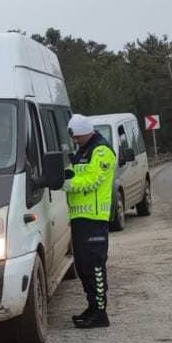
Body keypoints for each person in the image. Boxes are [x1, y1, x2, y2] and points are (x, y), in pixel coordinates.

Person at [65, 114, 117, 328]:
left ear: (87, 132)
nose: (75, 140)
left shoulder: (102, 151)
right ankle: (92, 307)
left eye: (77, 137)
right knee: (82, 265)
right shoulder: (82, 151)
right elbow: (75, 172)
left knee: (95, 265)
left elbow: (93, 179)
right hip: (79, 217)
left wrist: (67, 183)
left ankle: (100, 313)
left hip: (95, 218)